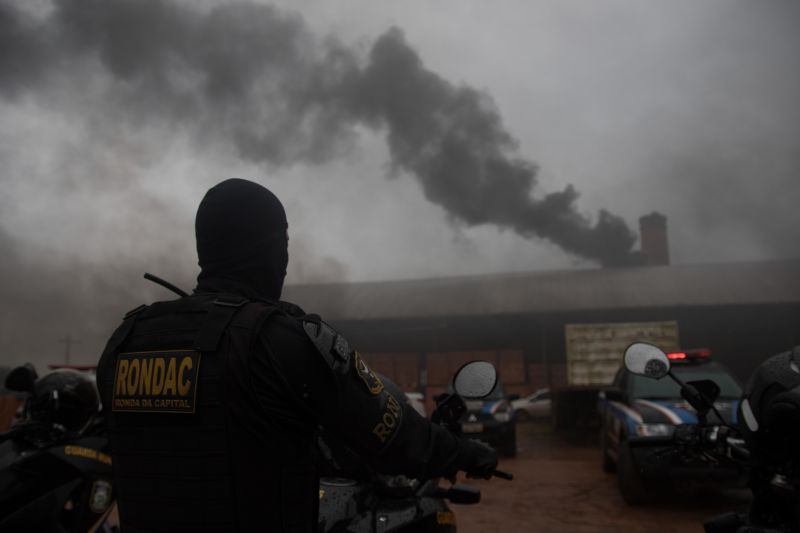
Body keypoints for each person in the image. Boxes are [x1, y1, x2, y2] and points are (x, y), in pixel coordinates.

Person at [96, 178, 498, 533]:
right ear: (270, 249)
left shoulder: (126, 340)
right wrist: (467, 453)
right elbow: (395, 436)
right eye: (284, 244)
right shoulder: (279, 339)